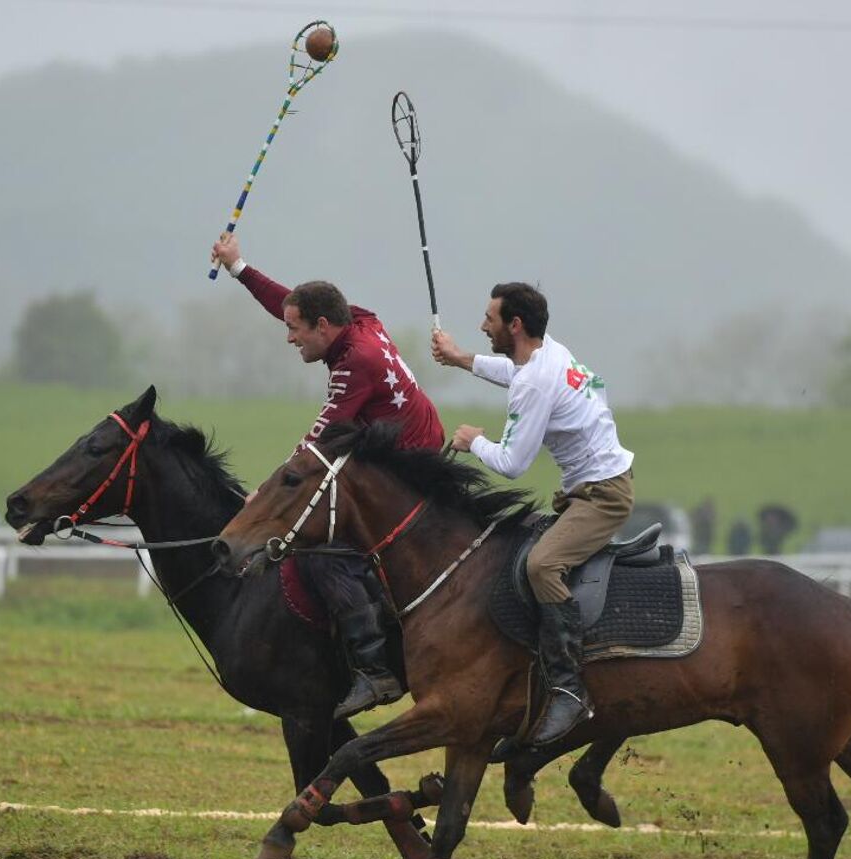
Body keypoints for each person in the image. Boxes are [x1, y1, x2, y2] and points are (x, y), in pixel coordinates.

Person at [212, 233, 445, 721]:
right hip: (402, 449)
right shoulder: (357, 319)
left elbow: (316, 446)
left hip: (408, 468)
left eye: (296, 330)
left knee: (319, 550)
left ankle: (372, 665)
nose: (288, 336)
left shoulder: (355, 364)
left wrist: (267, 496)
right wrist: (239, 269)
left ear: (323, 326)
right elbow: (290, 303)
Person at [431, 282, 634, 753]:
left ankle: (568, 689)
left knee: (541, 566)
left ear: (514, 325)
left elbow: (511, 464)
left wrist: (472, 441)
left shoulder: (536, 381)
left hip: (602, 497)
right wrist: (461, 359)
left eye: (489, 318)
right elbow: (513, 372)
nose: (483, 326)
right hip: (591, 486)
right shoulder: (546, 354)